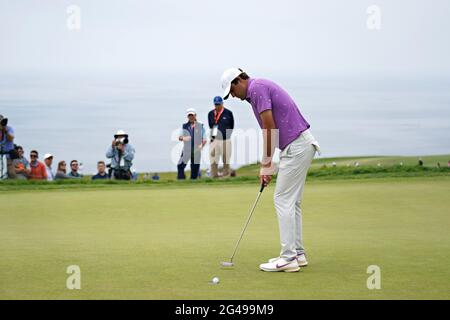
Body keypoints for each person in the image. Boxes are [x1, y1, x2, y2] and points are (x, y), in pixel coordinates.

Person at [221, 67, 320, 272]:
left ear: (239, 80)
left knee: (282, 199)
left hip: (297, 146)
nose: (232, 96)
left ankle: (288, 258)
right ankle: (297, 254)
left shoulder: (256, 88)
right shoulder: (257, 89)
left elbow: (269, 128)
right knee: (293, 202)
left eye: (231, 90)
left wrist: (266, 164)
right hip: (299, 145)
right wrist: (269, 163)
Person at [208, 96, 234, 177]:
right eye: (216, 104)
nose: (217, 106)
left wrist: (226, 135)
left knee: (226, 160)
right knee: (213, 160)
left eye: (219, 104)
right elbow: (211, 125)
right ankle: (214, 176)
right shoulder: (211, 114)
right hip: (214, 140)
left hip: (226, 140)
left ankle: (226, 176)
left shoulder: (228, 113)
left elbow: (231, 125)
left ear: (222, 103)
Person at [177, 108, 206, 180]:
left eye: (192, 115)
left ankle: (193, 182)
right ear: (187, 117)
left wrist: (201, 146)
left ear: (195, 115)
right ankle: (181, 181)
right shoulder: (184, 126)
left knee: (194, 169)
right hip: (186, 150)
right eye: (189, 115)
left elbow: (204, 139)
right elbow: (180, 137)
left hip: (196, 150)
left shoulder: (200, 126)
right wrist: (184, 138)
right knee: (180, 165)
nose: (191, 117)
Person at [0, 114, 16, 179]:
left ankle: (14, 185)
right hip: (1, 153)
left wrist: (5, 131)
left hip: (8, 154)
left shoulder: (9, 129)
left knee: (11, 173)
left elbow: (11, 138)